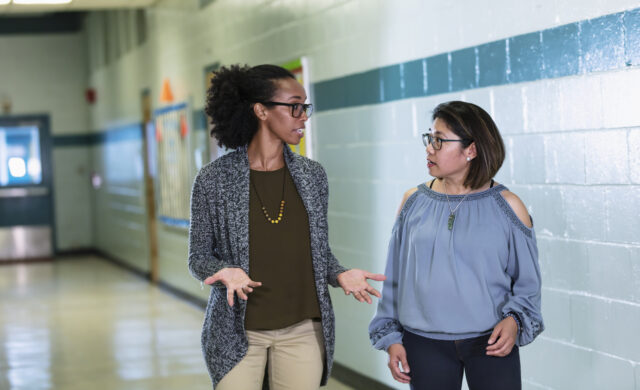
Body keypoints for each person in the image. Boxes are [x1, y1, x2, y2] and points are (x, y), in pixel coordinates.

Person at [188, 64, 385, 390]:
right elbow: (198, 258)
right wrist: (224, 270)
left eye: (304, 107)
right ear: (261, 110)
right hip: (238, 332)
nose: (303, 116)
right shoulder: (214, 179)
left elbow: (317, 252)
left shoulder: (312, 176)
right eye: (294, 106)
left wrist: (338, 273)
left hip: (303, 330)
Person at [369, 101, 544, 390]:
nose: (429, 148)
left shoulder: (509, 206)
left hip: (491, 343)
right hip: (423, 344)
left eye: (439, 140)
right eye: (429, 139)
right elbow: (394, 279)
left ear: (471, 150)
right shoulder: (412, 201)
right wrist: (390, 337)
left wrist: (514, 320)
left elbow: (528, 283)